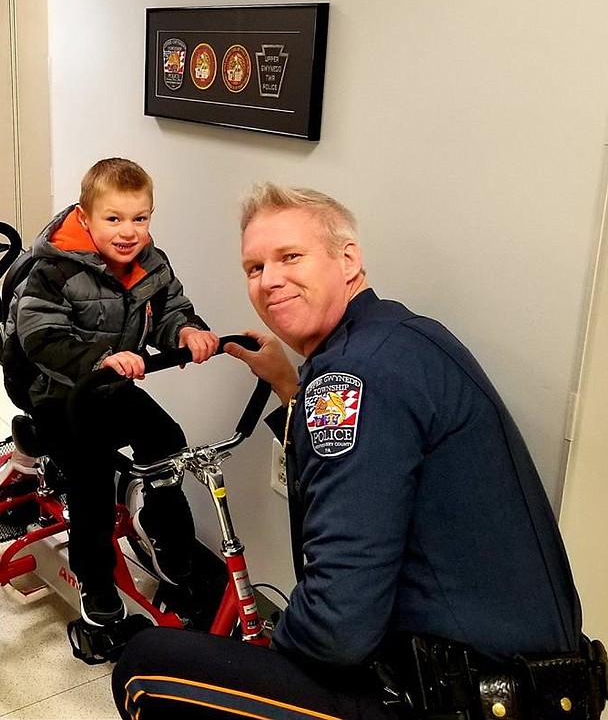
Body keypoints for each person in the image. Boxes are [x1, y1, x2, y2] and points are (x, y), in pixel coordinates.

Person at [112, 183, 606, 719]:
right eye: (254, 268)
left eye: (290, 257)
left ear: (348, 260)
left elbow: (337, 628)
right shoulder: (402, 336)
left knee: (146, 664)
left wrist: (272, 665)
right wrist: (290, 387)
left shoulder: (350, 376)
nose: (269, 279)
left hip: (452, 699)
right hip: (522, 679)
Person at [0, 158, 218, 628]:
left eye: (139, 218)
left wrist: (186, 331)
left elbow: (168, 310)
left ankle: (159, 526)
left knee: (167, 438)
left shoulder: (152, 264)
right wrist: (98, 361)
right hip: (56, 391)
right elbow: (41, 337)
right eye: (113, 219)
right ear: (84, 217)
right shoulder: (54, 270)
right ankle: (95, 579)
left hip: (111, 384)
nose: (128, 232)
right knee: (91, 474)